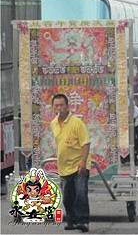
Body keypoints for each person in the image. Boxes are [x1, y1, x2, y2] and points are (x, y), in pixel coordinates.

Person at [50, 94, 90, 232]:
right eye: (56, 105)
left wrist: (83, 162)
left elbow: (85, 143)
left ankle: (83, 222)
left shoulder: (76, 123)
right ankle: (71, 221)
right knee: (67, 197)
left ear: (67, 106)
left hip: (79, 164)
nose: (59, 108)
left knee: (80, 193)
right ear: (53, 107)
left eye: (62, 105)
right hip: (64, 167)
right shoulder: (53, 123)